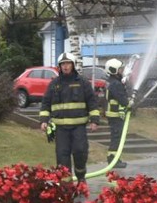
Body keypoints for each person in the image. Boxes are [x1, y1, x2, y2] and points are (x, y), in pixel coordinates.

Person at [39, 52, 100, 181]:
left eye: (68, 64)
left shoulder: (83, 83)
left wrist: (94, 120)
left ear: (73, 65)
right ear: (59, 67)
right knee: (62, 156)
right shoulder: (54, 84)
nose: (65, 66)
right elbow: (45, 103)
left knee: (80, 152)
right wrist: (44, 120)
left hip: (79, 127)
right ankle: (66, 187)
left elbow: (92, 102)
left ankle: (81, 178)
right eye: (63, 64)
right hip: (61, 129)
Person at [103, 58, 130, 169]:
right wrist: (129, 103)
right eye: (120, 69)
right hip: (115, 115)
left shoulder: (111, 82)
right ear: (114, 70)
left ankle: (115, 159)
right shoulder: (115, 84)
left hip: (114, 114)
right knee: (116, 137)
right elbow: (122, 99)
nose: (122, 71)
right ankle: (113, 160)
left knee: (116, 137)